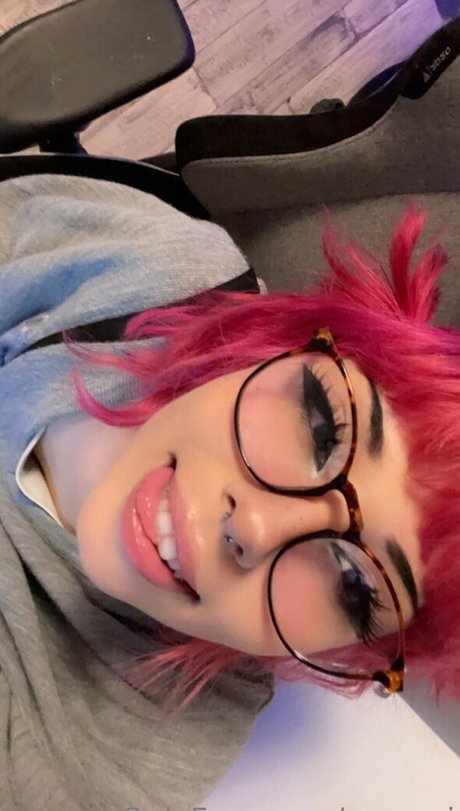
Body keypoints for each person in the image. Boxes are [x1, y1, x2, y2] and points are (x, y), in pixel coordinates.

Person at [0, 172, 458, 811]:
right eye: (322, 426)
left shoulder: (118, 756)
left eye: (355, 585)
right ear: (291, 344)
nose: (256, 529)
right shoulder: (162, 272)